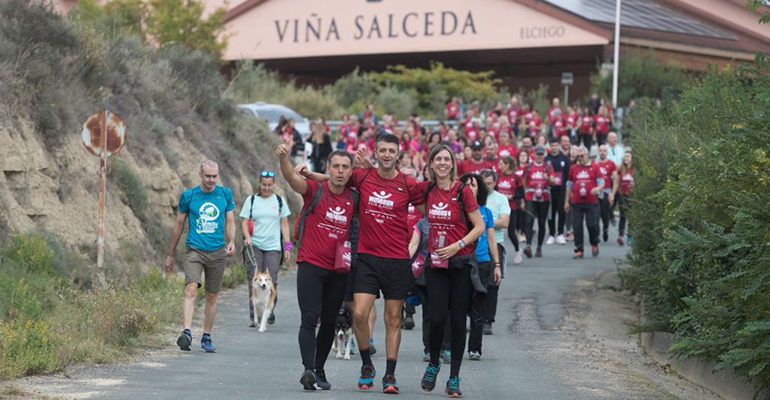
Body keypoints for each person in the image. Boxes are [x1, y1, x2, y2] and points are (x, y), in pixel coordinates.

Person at [301, 133, 426, 394]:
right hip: (367, 258)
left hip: (396, 261)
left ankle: (390, 376)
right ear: (376, 153)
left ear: (399, 154)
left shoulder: (408, 183)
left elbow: (427, 210)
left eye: (392, 150)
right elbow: (338, 180)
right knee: (358, 314)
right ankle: (367, 364)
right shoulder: (363, 176)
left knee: (393, 319)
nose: (387, 154)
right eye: (383, 150)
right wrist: (312, 175)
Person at [277, 143, 357, 391]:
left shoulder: (354, 197)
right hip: (311, 265)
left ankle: (319, 369)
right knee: (310, 318)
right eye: (336, 167)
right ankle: (308, 369)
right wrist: (284, 158)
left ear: (351, 171)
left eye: (345, 167)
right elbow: (292, 178)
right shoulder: (314, 190)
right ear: (328, 168)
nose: (340, 171)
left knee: (331, 321)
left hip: (338, 270)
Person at [419, 145, 496, 398]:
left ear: (452, 164)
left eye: (446, 159)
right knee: (437, 318)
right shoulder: (427, 190)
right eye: (438, 159)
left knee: (457, 320)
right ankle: (433, 364)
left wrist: (458, 245)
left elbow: (479, 226)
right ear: (431, 164)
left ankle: (454, 377)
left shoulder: (463, 191)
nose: (442, 163)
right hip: (437, 265)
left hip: (462, 264)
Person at [165, 160, 236, 353]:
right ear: (200, 175)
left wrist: (231, 241)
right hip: (195, 250)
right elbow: (178, 225)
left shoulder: (225, 194)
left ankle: (206, 336)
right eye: (208, 176)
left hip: (217, 251)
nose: (212, 180)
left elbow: (230, 220)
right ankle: (186, 333)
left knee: (211, 295)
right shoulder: (189, 196)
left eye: (214, 176)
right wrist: (170, 254)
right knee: (190, 289)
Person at [239, 170, 291, 327]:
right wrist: (247, 237)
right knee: (253, 280)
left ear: (273, 184)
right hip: (254, 246)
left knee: (271, 280)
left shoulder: (279, 202)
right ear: (259, 184)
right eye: (264, 185)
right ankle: (255, 316)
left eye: (269, 185)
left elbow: (284, 224)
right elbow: (244, 222)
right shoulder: (252, 200)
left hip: (273, 247)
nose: (266, 188)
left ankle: (269, 308)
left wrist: (287, 246)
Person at [459, 173, 500, 361]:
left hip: (482, 263)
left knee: (478, 308)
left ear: (479, 189)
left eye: (473, 185)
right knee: (457, 307)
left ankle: (475, 348)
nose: (469, 188)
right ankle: (450, 348)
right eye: (466, 185)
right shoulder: (457, 210)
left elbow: (491, 240)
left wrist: (497, 265)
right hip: (461, 262)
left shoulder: (486, 212)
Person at [479, 169, 510, 337]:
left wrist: (484, 221)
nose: (486, 186)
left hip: (495, 244)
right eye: (484, 183)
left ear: (495, 182)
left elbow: (505, 222)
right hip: (476, 243)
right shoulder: (474, 197)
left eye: (489, 183)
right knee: (474, 283)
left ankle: (488, 320)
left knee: (492, 283)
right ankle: (475, 317)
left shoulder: (500, 199)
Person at [565, 146, 604, 259]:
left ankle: (594, 242)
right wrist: (566, 202)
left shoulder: (594, 167)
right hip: (576, 202)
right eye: (578, 156)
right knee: (577, 227)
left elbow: (601, 183)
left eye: (582, 156)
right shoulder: (573, 168)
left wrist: (597, 189)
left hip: (591, 202)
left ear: (587, 155)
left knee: (592, 225)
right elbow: (569, 185)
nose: (580, 158)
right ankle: (579, 249)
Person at [522, 145, 554, 258]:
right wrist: (525, 193)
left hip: (544, 197)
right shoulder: (529, 166)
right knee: (529, 221)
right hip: (531, 196)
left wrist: (548, 178)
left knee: (541, 222)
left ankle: (539, 247)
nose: (540, 156)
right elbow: (523, 179)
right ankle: (528, 246)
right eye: (538, 154)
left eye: (541, 154)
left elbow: (554, 182)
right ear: (534, 155)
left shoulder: (548, 167)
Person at [497, 156, 523, 265]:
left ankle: (517, 250)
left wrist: (511, 196)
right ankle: (497, 254)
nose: (499, 166)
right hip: (498, 208)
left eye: (501, 164)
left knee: (511, 232)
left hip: (511, 207)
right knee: (496, 231)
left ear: (507, 165)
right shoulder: (498, 177)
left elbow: (522, 194)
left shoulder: (517, 177)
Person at [545, 137, 570, 245]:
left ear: (559, 146)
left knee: (561, 211)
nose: (554, 147)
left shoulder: (564, 158)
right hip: (549, 189)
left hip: (561, 189)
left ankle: (560, 233)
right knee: (551, 213)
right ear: (550, 146)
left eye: (556, 145)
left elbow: (568, 175)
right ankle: (551, 234)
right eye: (552, 145)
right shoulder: (546, 159)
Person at [610, 151, 634, 246]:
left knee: (631, 216)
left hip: (632, 196)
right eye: (625, 157)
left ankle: (630, 236)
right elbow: (616, 183)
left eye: (628, 156)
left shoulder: (635, 170)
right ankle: (620, 236)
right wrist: (612, 194)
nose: (626, 158)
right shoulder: (620, 169)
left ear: (632, 158)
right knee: (623, 215)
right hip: (622, 195)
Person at [595, 145, 617, 242]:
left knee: (605, 214)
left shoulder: (611, 164)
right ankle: (596, 233)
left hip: (606, 192)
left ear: (607, 153)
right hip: (596, 192)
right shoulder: (594, 164)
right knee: (596, 214)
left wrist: (612, 193)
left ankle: (605, 229)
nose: (603, 152)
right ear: (598, 152)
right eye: (601, 151)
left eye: (604, 151)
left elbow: (616, 179)